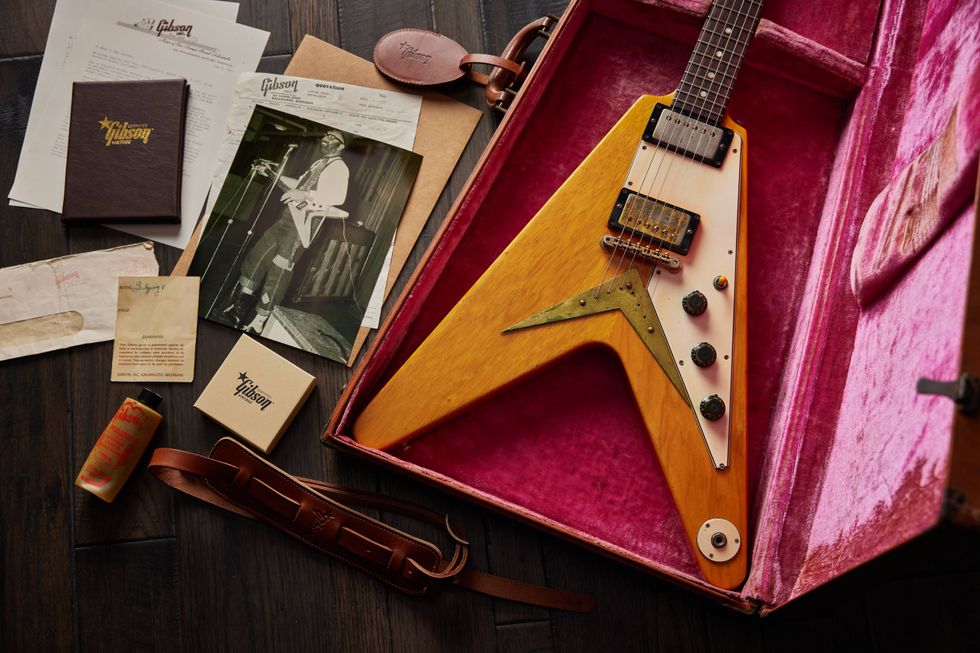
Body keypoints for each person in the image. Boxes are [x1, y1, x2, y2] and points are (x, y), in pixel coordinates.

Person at [224, 128, 351, 333]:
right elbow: (296, 186)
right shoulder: (318, 163)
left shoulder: (340, 168)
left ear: (342, 146)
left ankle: (259, 322)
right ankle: (239, 308)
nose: (325, 138)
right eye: (325, 135)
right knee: (258, 256)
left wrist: (305, 194)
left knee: (279, 269)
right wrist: (273, 175)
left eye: (332, 137)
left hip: (302, 225)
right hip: (285, 218)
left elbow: (338, 197)